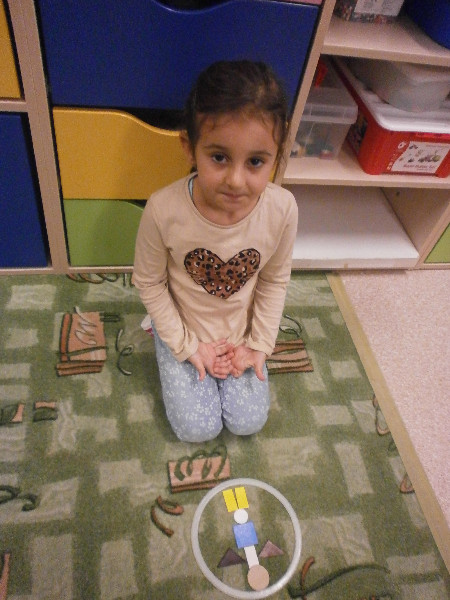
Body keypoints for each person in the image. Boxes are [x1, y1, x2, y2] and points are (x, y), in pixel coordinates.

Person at [132, 60, 298, 442]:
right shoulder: (162, 209)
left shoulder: (283, 209)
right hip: (184, 328)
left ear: (277, 155)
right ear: (189, 148)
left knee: (248, 421)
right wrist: (186, 345)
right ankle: (161, 337)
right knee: (197, 428)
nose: (236, 181)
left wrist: (258, 345)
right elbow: (149, 283)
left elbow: (274, 281)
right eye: (219, 157)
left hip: (240, 334)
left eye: (255, 161)